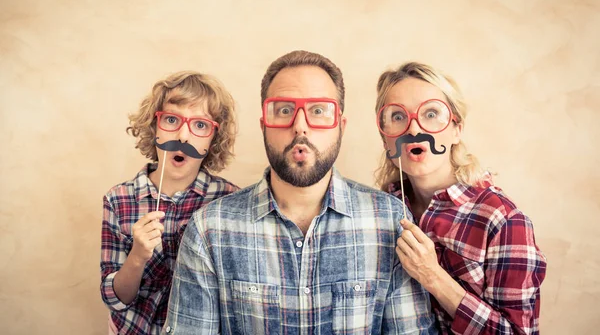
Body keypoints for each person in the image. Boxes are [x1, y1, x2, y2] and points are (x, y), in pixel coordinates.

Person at [162, 51, 437, 334]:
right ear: (264, 126)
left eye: (318, 111)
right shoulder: (210, 230)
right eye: (283, 110)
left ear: (341, 127)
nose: (300, 126)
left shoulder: (391, 222)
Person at [374, 62, 547, 334]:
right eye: (397, 116)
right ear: (385, 138)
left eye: (431, 113)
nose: (414, 128)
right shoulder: (379, 210)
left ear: (456, 129)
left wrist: (434, 277)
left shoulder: (501, 219)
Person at [100, 71, 239, 334]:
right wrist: (138, 255)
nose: (184, 137)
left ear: (213, 139)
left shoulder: (229, 202)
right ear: (154, 127)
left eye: (200, 125)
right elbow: (116, 299)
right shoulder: (118, 200)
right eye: (172, 119)